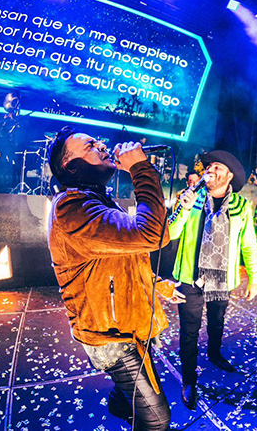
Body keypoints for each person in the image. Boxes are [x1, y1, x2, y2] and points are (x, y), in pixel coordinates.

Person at [47, 127, 183, 431]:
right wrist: (140, 168)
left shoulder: (97, 200)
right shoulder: (72, 208)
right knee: (157, 419)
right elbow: (152, 234)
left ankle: (121, 403)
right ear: (71, 166)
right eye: (90, 146)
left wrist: (159, 285)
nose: (101, 145)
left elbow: (126, 258)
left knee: (133, 395)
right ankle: (126, 406)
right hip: (110, 334)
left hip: (130, 321)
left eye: (97, 141)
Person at [168, 150, 257, 410]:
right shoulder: (191, 198)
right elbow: (171, 233)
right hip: (190, 279)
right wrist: (183, 209)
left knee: (217, 322)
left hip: (221, 279)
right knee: (189, 332)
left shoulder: (242, 206)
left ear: (229, 176)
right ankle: (189, 379)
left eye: (218, 167)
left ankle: (214, 353)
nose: (210, 169)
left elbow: (249, 244)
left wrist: (254, 278)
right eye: (209, 166)